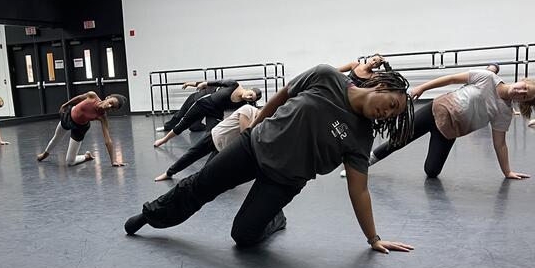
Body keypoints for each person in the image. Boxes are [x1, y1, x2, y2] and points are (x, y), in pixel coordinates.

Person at [125, 64, 415, 254]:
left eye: (393, 114)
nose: (387, 113)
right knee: (199, 185)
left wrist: (373, 239)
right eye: (391, 104)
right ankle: (150, 215)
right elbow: (283, 95)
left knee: (243, 236)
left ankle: (275, 218)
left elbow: (359, 189)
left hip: (285, 179)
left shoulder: (362, 136)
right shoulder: (327, 76)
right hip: (255, 146)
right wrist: (255, 124)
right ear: (380, 85)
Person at [347, 69, 535, 180]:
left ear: (524, 102)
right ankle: (364, 163)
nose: (520, 92)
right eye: (524, 88)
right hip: (436, 109)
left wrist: (507, 171)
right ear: (522, 80)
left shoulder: (504, 113)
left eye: (525, 96)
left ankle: (431, 146)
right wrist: (422, 88)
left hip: (449, 131)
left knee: (431, 172)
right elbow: (451, 79)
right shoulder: (487, 78)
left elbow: (500, 143)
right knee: (399, 140)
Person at [154, 104, 259, 181]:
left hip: (224, 146)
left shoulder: (260, 124)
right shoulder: (248, 109)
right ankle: (168, 173)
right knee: (192, 155)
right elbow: (245, 134)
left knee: (207, 172)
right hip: (215, 136)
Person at [153, 80, 262, 148]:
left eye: (251, 99)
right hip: (203, 103)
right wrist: (199, 84)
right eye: (250, 94)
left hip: (215, 113)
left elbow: (253, 115)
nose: (248, 97)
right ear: (249, 89)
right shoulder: (234, 85)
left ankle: (207, 154)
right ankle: (163, 140)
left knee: (213, 134)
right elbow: (214, 83)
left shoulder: (243, 104)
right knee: (182, 123)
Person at [36, 92, 128, 166]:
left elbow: (107, 139)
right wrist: (65, 104)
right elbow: (79, 98)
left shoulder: (102, 117)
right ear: (108, 98)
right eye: (111, 103)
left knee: (70, 162)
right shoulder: (92, 96)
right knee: (56, 137)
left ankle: (86, 156)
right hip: (68, 117)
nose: (109, 106)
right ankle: (45, 154)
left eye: (112, 108)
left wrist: (113, 161)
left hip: (80, 128)